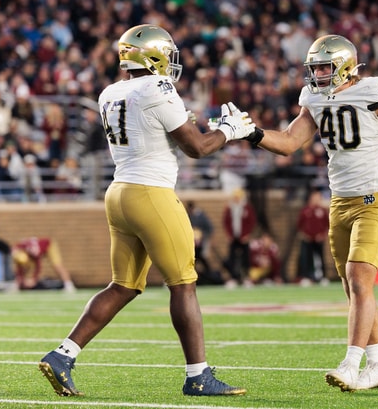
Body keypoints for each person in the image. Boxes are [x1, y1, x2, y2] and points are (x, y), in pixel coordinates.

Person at [38, 24, 253, 398]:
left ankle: (63, 355)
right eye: (167, 54)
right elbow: (198, 148)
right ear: (153, 56)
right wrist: (230, 130)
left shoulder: (111, 91)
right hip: (150, 192)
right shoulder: (158, 87)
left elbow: (157, 131)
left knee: (123, 285)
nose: (171, 61)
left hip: (119, 193)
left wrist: (205, 128)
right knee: (183, 283)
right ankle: (198, 375)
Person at [234, 34, 378, 391]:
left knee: (358, 278)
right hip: (339, 202)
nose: (318, 74)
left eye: (324, 66)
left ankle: (351, 364)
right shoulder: (314, 99)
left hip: (375, 198)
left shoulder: (374, 91)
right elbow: (290, 142)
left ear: (344, 66)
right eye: (315, 68)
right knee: (354, 288)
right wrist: (252, 132)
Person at [11, 237, 76, 292]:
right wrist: (20, 279)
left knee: (57, 265)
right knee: (25, 267)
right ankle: (17, 284)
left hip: (49, 245)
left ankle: (69, 285)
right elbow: (19, 268)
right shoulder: (18, 251)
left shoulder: (31, 249)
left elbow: (38, 264)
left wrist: (34, 279)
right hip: (31, 254)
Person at [222, 188, 257, 287]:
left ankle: (246, 278)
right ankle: (233, 278)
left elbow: (251, 222)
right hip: (233, 237)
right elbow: (226, 222)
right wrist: (229, 235)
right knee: (232, 258)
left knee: (246, 258)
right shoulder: (229, 208)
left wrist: (247, 234)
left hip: (244, 237)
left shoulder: (247, 208)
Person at [296, 188, 329, 285]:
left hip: (319, 239)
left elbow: (327, 225)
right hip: (308, 239)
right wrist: (304, 235)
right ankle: (306, 277)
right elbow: (299, 225)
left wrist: (323, 235)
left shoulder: (322, 211)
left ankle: (323, 277)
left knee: (321, 258)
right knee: (306, 258)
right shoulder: (305, 210)